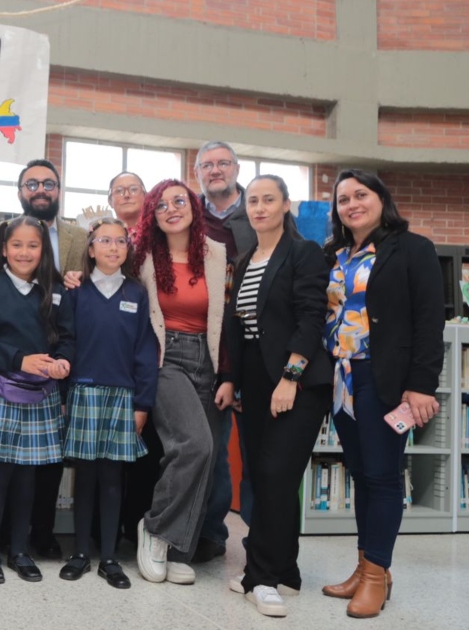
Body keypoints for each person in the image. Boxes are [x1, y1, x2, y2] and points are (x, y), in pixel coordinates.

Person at [320, 169, 443, 619]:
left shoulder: (413, 249)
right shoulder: (333, 254)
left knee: (383, 476)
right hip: (341, 380)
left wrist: (421, 386)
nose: (351, 203)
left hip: (384, 379)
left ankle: (377, 577)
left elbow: (430, 323)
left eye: (361, 194)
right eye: (343, 199)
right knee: (361, 475)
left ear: (381, 198)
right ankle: (366, 565)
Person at [220, 175, 330, 617]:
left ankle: (259, 578)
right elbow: (240, 329)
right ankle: (286, 569)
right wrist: (233, 379)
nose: (260, 207)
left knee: (275, 475)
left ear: (286, 205)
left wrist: (291, 376)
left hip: (295, 381)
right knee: (267, 479)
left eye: (269, 199)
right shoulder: (246, 259)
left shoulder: (303, 253)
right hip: (256, 381)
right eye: (253, 201)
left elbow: (311, 316)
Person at [129, 180, 232, 587]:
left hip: (206, 360)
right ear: (152, 216)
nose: (172, 209)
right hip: (163, 357)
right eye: (162, 205)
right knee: (194, 444)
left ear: (194, 207)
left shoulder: (217, 253)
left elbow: (228, 322)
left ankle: (177, 551)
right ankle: (155, 530)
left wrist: (227, 374)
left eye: (180, 201)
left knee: (207, 458)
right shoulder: (141, 258)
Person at [0, 216, 74, 584]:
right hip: (0, 387)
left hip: (42, 393)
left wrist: (63, 362)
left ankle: (19, 550)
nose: (24, 252)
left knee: (28, 476)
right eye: (17, 245)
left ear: (43, 250)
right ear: (3, 249)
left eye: (33, 245)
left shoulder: (56, 288)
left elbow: (68, 338)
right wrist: (19, 360)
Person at [60, 218, 158, 590]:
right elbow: (65, 342)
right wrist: (66, 395)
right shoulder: (76, 290)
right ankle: (80, 553)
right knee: (85, 477)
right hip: (83, 392)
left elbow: (145, 351)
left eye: (121, 241)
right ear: (91, 248)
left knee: (113, 479)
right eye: (105, 240)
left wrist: (142, 403)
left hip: (123, 395)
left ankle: (110, 557)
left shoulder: (136, 292)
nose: (113, 247)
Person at [15, 159, 85, 559]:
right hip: (17, 356)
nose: (40, 189)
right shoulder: (2, 232)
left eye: (49, 183)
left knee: (52, 450)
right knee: (11, 451)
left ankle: (42, 531)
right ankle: (10, 530)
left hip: (66, 353)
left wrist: (82, 278)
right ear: (20, 190)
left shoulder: (80, 236)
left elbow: (105, 274)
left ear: (59, 190)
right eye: (31, 184)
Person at [192, 140, 255, 562]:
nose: (215, 171)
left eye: (222, 163)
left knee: (220, 449)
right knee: (189, 446)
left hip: (244, 348)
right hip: (190, 342)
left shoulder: (260, 211)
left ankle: (213, 533)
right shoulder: (188, 213)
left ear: (236, 168)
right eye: (206, 165)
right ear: (197, 173)